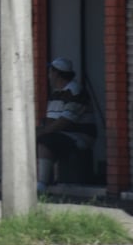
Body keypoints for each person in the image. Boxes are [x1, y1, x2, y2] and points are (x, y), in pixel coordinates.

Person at [36, 57, 95, 191]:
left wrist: (43, 132)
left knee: (45, 140)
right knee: (34, 138)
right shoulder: (56, 93)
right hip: (63, 134)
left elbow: (65, 121)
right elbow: (51, 120)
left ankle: (42, 183)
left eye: (50, 71)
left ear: (56, 74)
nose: (48, 75)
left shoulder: (75, 91)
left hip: (79, 136)